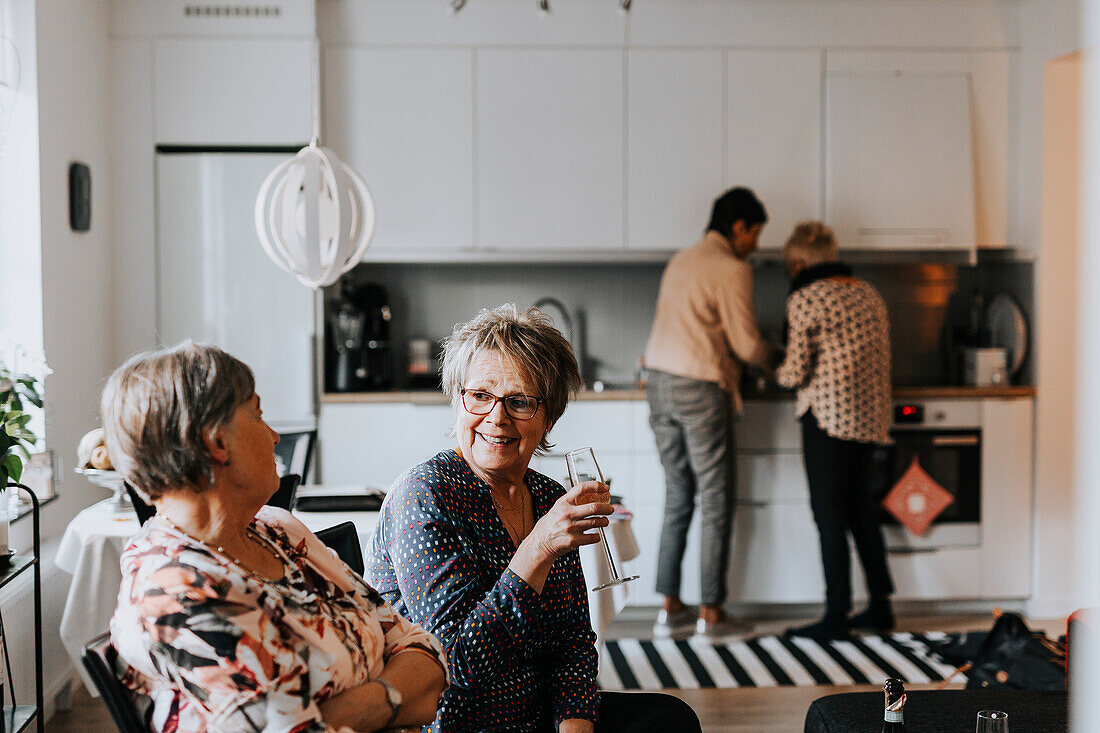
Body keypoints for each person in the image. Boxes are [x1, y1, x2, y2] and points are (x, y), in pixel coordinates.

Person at [366, 305, 701, 733]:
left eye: (520, 401)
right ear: (457, 399)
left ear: (549, 417)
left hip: (538, 717)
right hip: (457, 723)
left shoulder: (546, 496)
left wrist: (575, 726)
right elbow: (457, 665)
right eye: (480, 395)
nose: (497, 417)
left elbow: (574, 640)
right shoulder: (427, 493)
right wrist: (538, 548)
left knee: (672, 720)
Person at [104, 342, 448, 732]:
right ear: (217, 443)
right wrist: (396, 695)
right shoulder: (174, 592)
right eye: (258, 414)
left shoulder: (278, 530)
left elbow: (419, 646)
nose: (272, 436)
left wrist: (373, 703)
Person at [643, 186, 776, 639]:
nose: (756, 244)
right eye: (755, 233)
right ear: (739, 227)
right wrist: (776, 356)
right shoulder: (732, 268)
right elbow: (747, 345)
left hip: (658, 384)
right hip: (699, 386)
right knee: (716, 500)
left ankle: (669, 608)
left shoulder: (681, 259)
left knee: (679, 494)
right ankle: (711, 615)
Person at [775, 221, 895, 641]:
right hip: (871, 420)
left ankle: (836, 615)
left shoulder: (807, 297)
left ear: (802, 262)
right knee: (862, 512)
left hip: (827, 419)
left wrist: (772, 368)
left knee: (829, 517)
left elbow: (794, 372)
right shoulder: (869, 294)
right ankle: (881, 606)